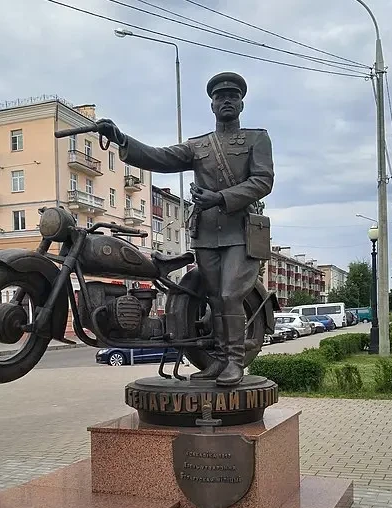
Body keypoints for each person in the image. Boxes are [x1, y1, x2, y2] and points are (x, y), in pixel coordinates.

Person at [97, 72, 274, 386]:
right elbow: (160, 157)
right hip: (206, 235)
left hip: (242, 233)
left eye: (233, 96)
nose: (227, 101)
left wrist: (220, 197)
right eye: (220, 97)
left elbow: (263, 181)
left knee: (230, 295)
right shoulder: (198, 145)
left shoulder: (256, 139)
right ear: (212, 105)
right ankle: (218, 362)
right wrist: (122, 139)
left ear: (241, 103)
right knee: (215, 299)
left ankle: (234, 361)